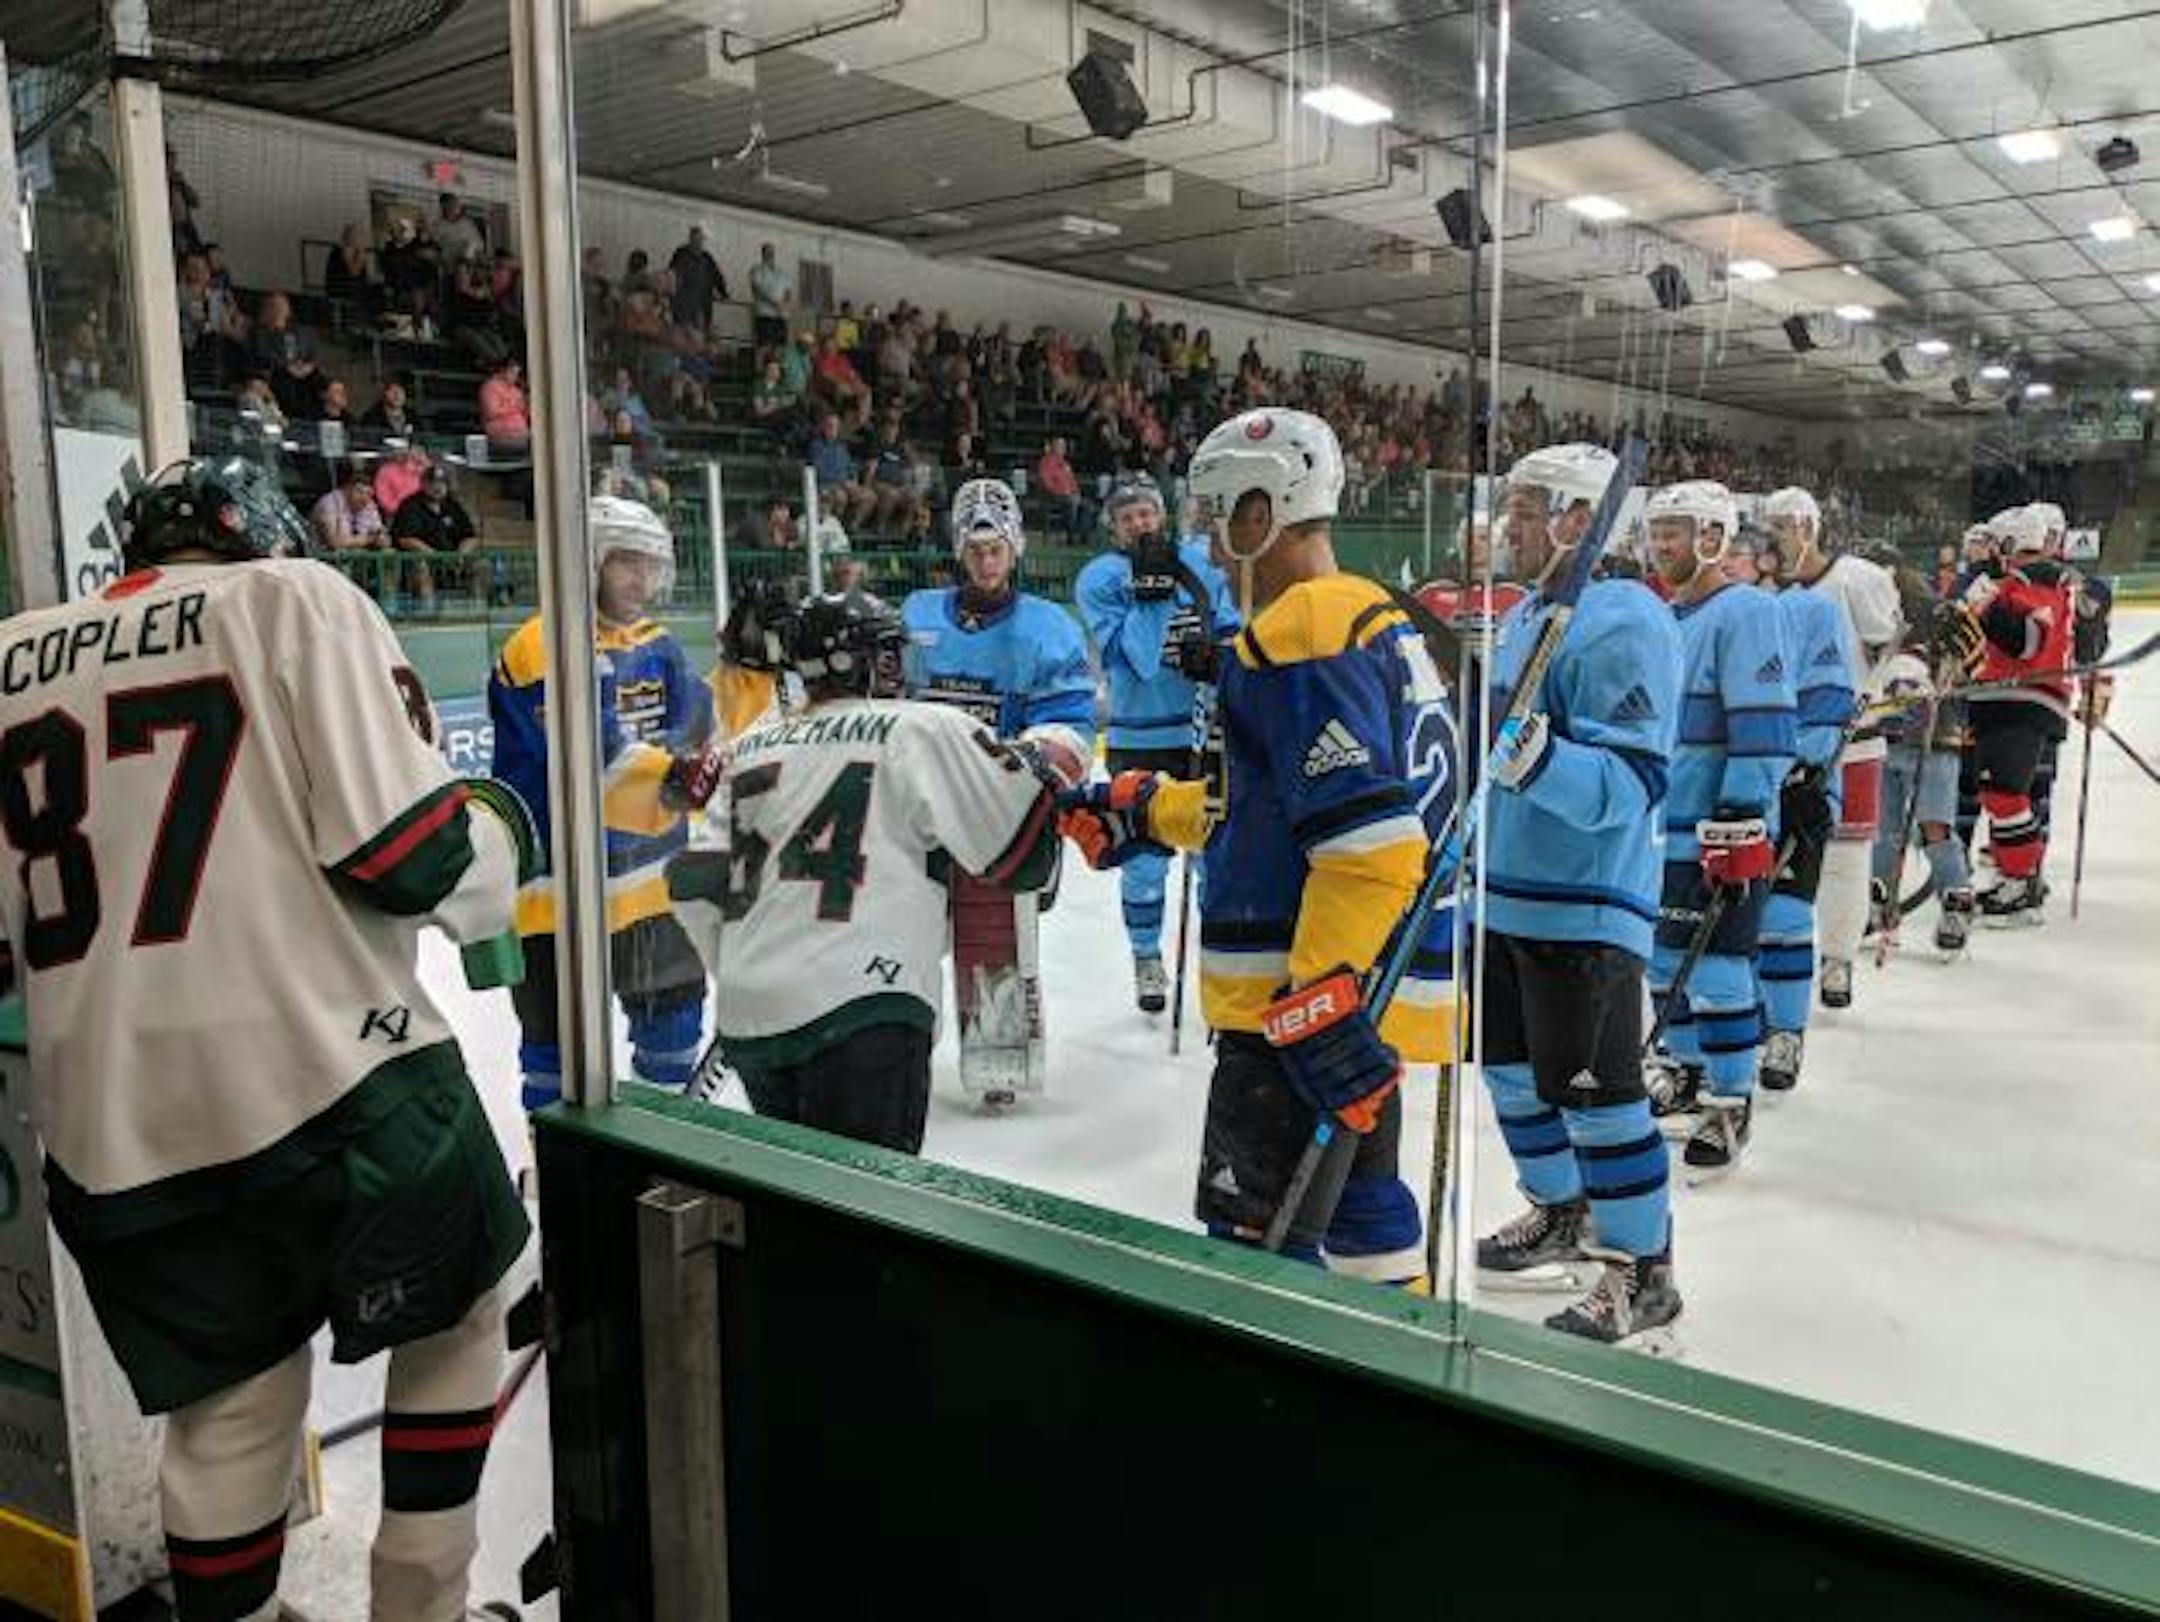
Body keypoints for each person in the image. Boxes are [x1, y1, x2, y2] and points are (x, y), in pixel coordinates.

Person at [0, 454, 531, 1620]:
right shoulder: (296, 599)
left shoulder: (9, 656)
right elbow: (411, 857)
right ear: (265, 535)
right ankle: (421, 1603)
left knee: (230, 1411)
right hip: (342, 1089)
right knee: (460, 1316)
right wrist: (500, 842)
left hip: (116, 1133)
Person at [1060, 408, 1457, 1284]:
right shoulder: (1373, 618)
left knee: (1251, 1263)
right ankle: (1398, 1385)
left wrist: (1317, 1001)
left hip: (1302, 1011)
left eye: (1213, 515)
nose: (1204, 536)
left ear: (1260, 512)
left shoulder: (1301, 634)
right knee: (1365, 1218)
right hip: (1363, 999)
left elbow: (1370, 846)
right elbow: (1285, 808)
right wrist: (1149, 809)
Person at [668, 591, 1066, 1151]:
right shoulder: (920, 729)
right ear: (855, 662)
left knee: (794, 1208)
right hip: (865, 1008)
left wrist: (740, 962)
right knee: (866, 1217)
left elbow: (690, 883)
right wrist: (1041, 766)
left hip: (752, 1017)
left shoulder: (745, 747)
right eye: (886, 655)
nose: (898, 668)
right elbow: (1020, 854)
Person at [1459, 444, 1684, 1343]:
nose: (1505, 528)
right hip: (1508, 898)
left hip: (1585, 910)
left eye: (1523, 510)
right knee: (1512, 1078)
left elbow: (1629, 787)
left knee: (1598, 1097)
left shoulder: (1625, 618)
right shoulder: (1529, 614)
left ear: (1577, 521)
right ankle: (1560, 1212)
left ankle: (1643, 1270)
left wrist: (1535, 755)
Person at [490, 496, 716, 1108]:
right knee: (556, 1057)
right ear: (584, 562)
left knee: (672, 1033)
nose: (641, 580)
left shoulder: (658, 644)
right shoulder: (542, 644)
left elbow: (698, 725)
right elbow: (592, 754)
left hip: (651, 886)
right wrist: (675, 768)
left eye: (649, 564)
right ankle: (563, 1174)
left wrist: (750, 671)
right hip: (558, 896)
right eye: (625, 563)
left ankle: (669, 1156)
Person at [1641, 480, 1796, 1179]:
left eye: (1674, 530)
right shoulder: (1663, 614)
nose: (1660, 543)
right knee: (1665, 962)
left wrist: (1739, 816)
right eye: (1656, 531)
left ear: (1711, 536)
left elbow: (1765, 723)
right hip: (1659, 829)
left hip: (1716, 829)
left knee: (1720, 967)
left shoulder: (1747, 613)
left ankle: (1732, 1097)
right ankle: (1686, 1067)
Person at [1072, 474, 1234, 1013]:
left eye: (1145, 512)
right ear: (1113, 526)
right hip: (1139, 741)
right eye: (1126, 517)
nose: (1139, 522)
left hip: (1202, 731)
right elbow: (1139, 662)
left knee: (1218, 858)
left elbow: (1230, 629)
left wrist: (1218, 658)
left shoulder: (1201, 562)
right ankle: (1146, 957)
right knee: (1145, 861)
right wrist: (1152, 597)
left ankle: (1220, 957)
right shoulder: (1099, 577)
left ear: (1160, 513)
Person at [1763, 486, 1902, 1010]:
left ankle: (1839, 958)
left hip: (1854, 743)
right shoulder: (1767, 594)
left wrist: (1892, 680)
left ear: (1806, 526)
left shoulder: (1857, 578)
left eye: (1782, 527)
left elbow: (1892, 640)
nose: (1776, 538)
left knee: (1846, 856)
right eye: (1770, 529)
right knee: (1784, 858)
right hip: (1783, 747)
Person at [1745, 521, 1855, 1094]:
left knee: (1783, 918)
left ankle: (1785, 1030)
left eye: (1748, 553)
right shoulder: (1693, 615)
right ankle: (1730, 1037)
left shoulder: (1809, 612)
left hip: (1791, 789)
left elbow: (1830, 700)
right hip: (1720, 797)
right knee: (1718, 931)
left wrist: (1795, 769)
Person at [1960, 505, 2077, 923]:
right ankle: (2019, 879)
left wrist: (1989, 609)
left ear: (2011, 543)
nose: (1989, 551)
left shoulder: (2036, 579)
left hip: (2023, 699)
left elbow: (2027, 641)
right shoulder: (2024, 581)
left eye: (1994, 542)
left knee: (2007, 793)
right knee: (2000, 793)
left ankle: (2021, 883)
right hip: (2007, 699)